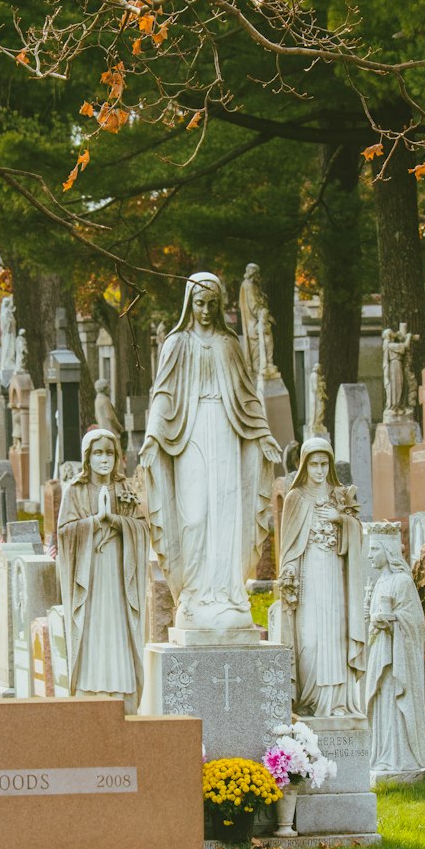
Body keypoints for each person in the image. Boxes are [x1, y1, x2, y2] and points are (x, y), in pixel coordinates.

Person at [140, 272, 281, 637]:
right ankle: (195, 594)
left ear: (220, 307)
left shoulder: (228, 344)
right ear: (189, 304)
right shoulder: (177, 343)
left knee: (227, 511)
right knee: (196, 515)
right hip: (188, 435)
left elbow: (248, 396)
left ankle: (228, 594)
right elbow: (163, 393)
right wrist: (154, 436)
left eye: (212, 305)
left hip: (227, 432)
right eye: (199, 304)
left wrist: (263, 435)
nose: (205, 311)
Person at [56, 428, 149, 707]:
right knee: (93, 623)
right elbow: (64, 532)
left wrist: (119, 522)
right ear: (87, 458)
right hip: (90, 573)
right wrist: (96, 521)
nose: (104, 459)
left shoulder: (125, 489)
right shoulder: (75, 491)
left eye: (110, 453)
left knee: (117, 624)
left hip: (119, 575)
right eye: (98, 453)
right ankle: (90, 686)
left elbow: (143, 528)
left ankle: (121, 685)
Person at [278, 439, 365, 717]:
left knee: (335, 636)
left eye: (324, 464)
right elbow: (288, 548)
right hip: (308, 579)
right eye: (314, 464)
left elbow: (357, 535)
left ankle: (336, 702)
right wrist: (289, 571)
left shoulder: (340, 496)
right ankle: (310, 699)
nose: (319, 470)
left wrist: (341, 519)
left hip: (335, 577)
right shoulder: (296, 498)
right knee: (310, 641)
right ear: (304, 466)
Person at [365, 532, 425, 779]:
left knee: (395, 701)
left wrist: (393, 620)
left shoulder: (403, 582)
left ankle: (400, 756)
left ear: (388, 551)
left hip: (397, 657)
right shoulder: (378, 584)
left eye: (374, 550)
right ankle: (383, 755)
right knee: (382, 702)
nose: (370, 555)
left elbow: (416, 624)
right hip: (380, 652)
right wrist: (373, 621)